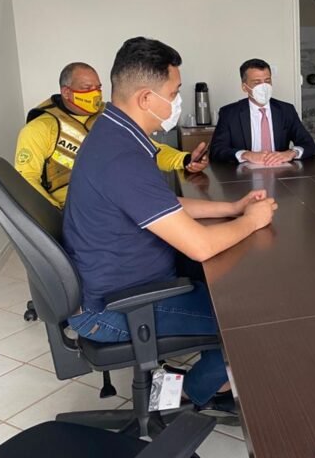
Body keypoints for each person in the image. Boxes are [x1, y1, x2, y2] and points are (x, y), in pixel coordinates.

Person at [62, 37, 278, 414]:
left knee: (231, 286)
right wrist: (251, 219)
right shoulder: (121, 157)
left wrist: (231, 206)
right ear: (146, 98)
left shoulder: (114, 134)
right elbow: (201, 246)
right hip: (116, 307)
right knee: (253, 317)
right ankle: (189, 394)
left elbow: (163, 204)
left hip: (119, 285)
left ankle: (211, 377)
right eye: (174, 93)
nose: (177, 101)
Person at [15, 62, 208, 208]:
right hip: (74, 209)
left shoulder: (109, 116)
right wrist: (55, 216)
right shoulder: (40, 128)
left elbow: (147, 149)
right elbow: (26, 180)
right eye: (86, 88)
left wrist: (185, 160)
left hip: (116, 200)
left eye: (98, 88)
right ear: (66, 92)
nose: (95, 94)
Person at [209, 58, 315, 165]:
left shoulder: (286, 110)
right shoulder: (229, 113)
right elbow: (216, 150)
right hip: (244, 172)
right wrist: (246, 155)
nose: (264, 87)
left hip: (280, 170)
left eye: (267, 81)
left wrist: (291, 153)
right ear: (244, 87)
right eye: (257, 82)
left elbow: (309, 145)